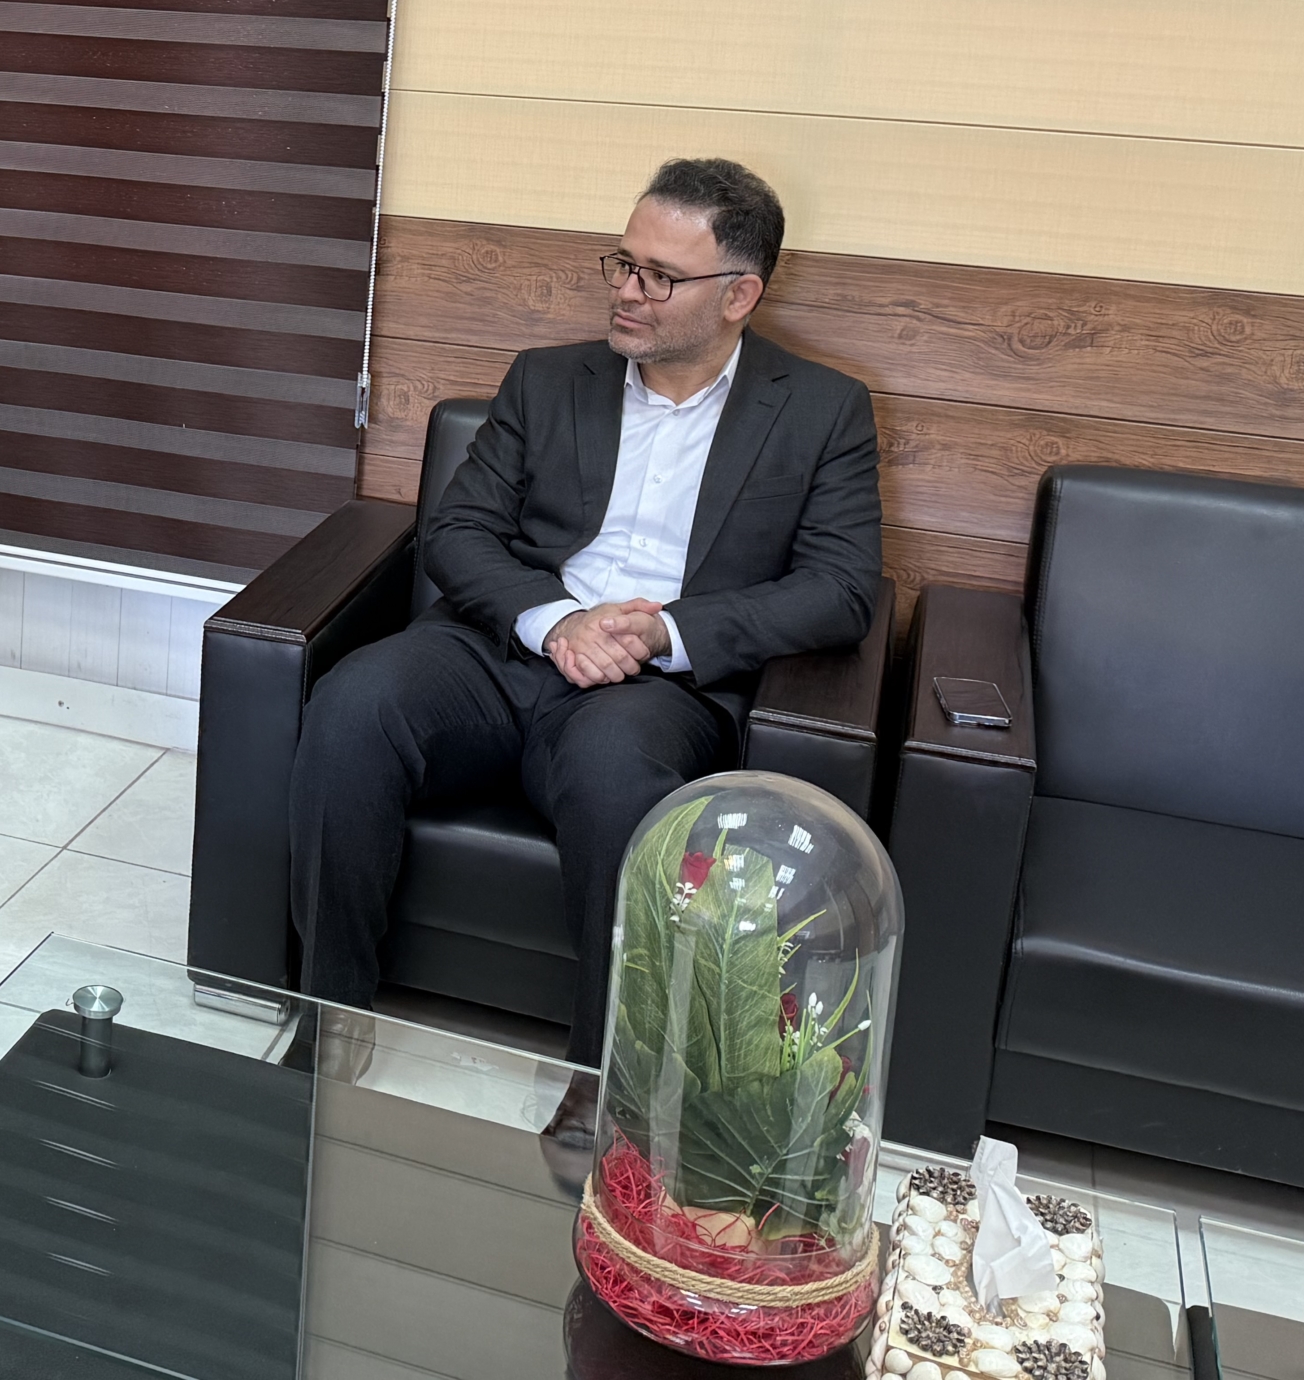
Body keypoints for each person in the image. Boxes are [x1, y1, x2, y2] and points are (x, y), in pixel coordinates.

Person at [286, 159, 883, 1170]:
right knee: (353, 705)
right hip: (505, 647)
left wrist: (660, 632)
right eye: (622, 262)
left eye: (659, 276)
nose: (625, 290)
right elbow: (458, 531)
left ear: (739, 295)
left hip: (654, 687)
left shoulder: (822, 410)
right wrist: (559, 619)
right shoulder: (546, 378)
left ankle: (605, 1078)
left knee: (619, 785)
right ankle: (329, 1017)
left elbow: (841, 588)